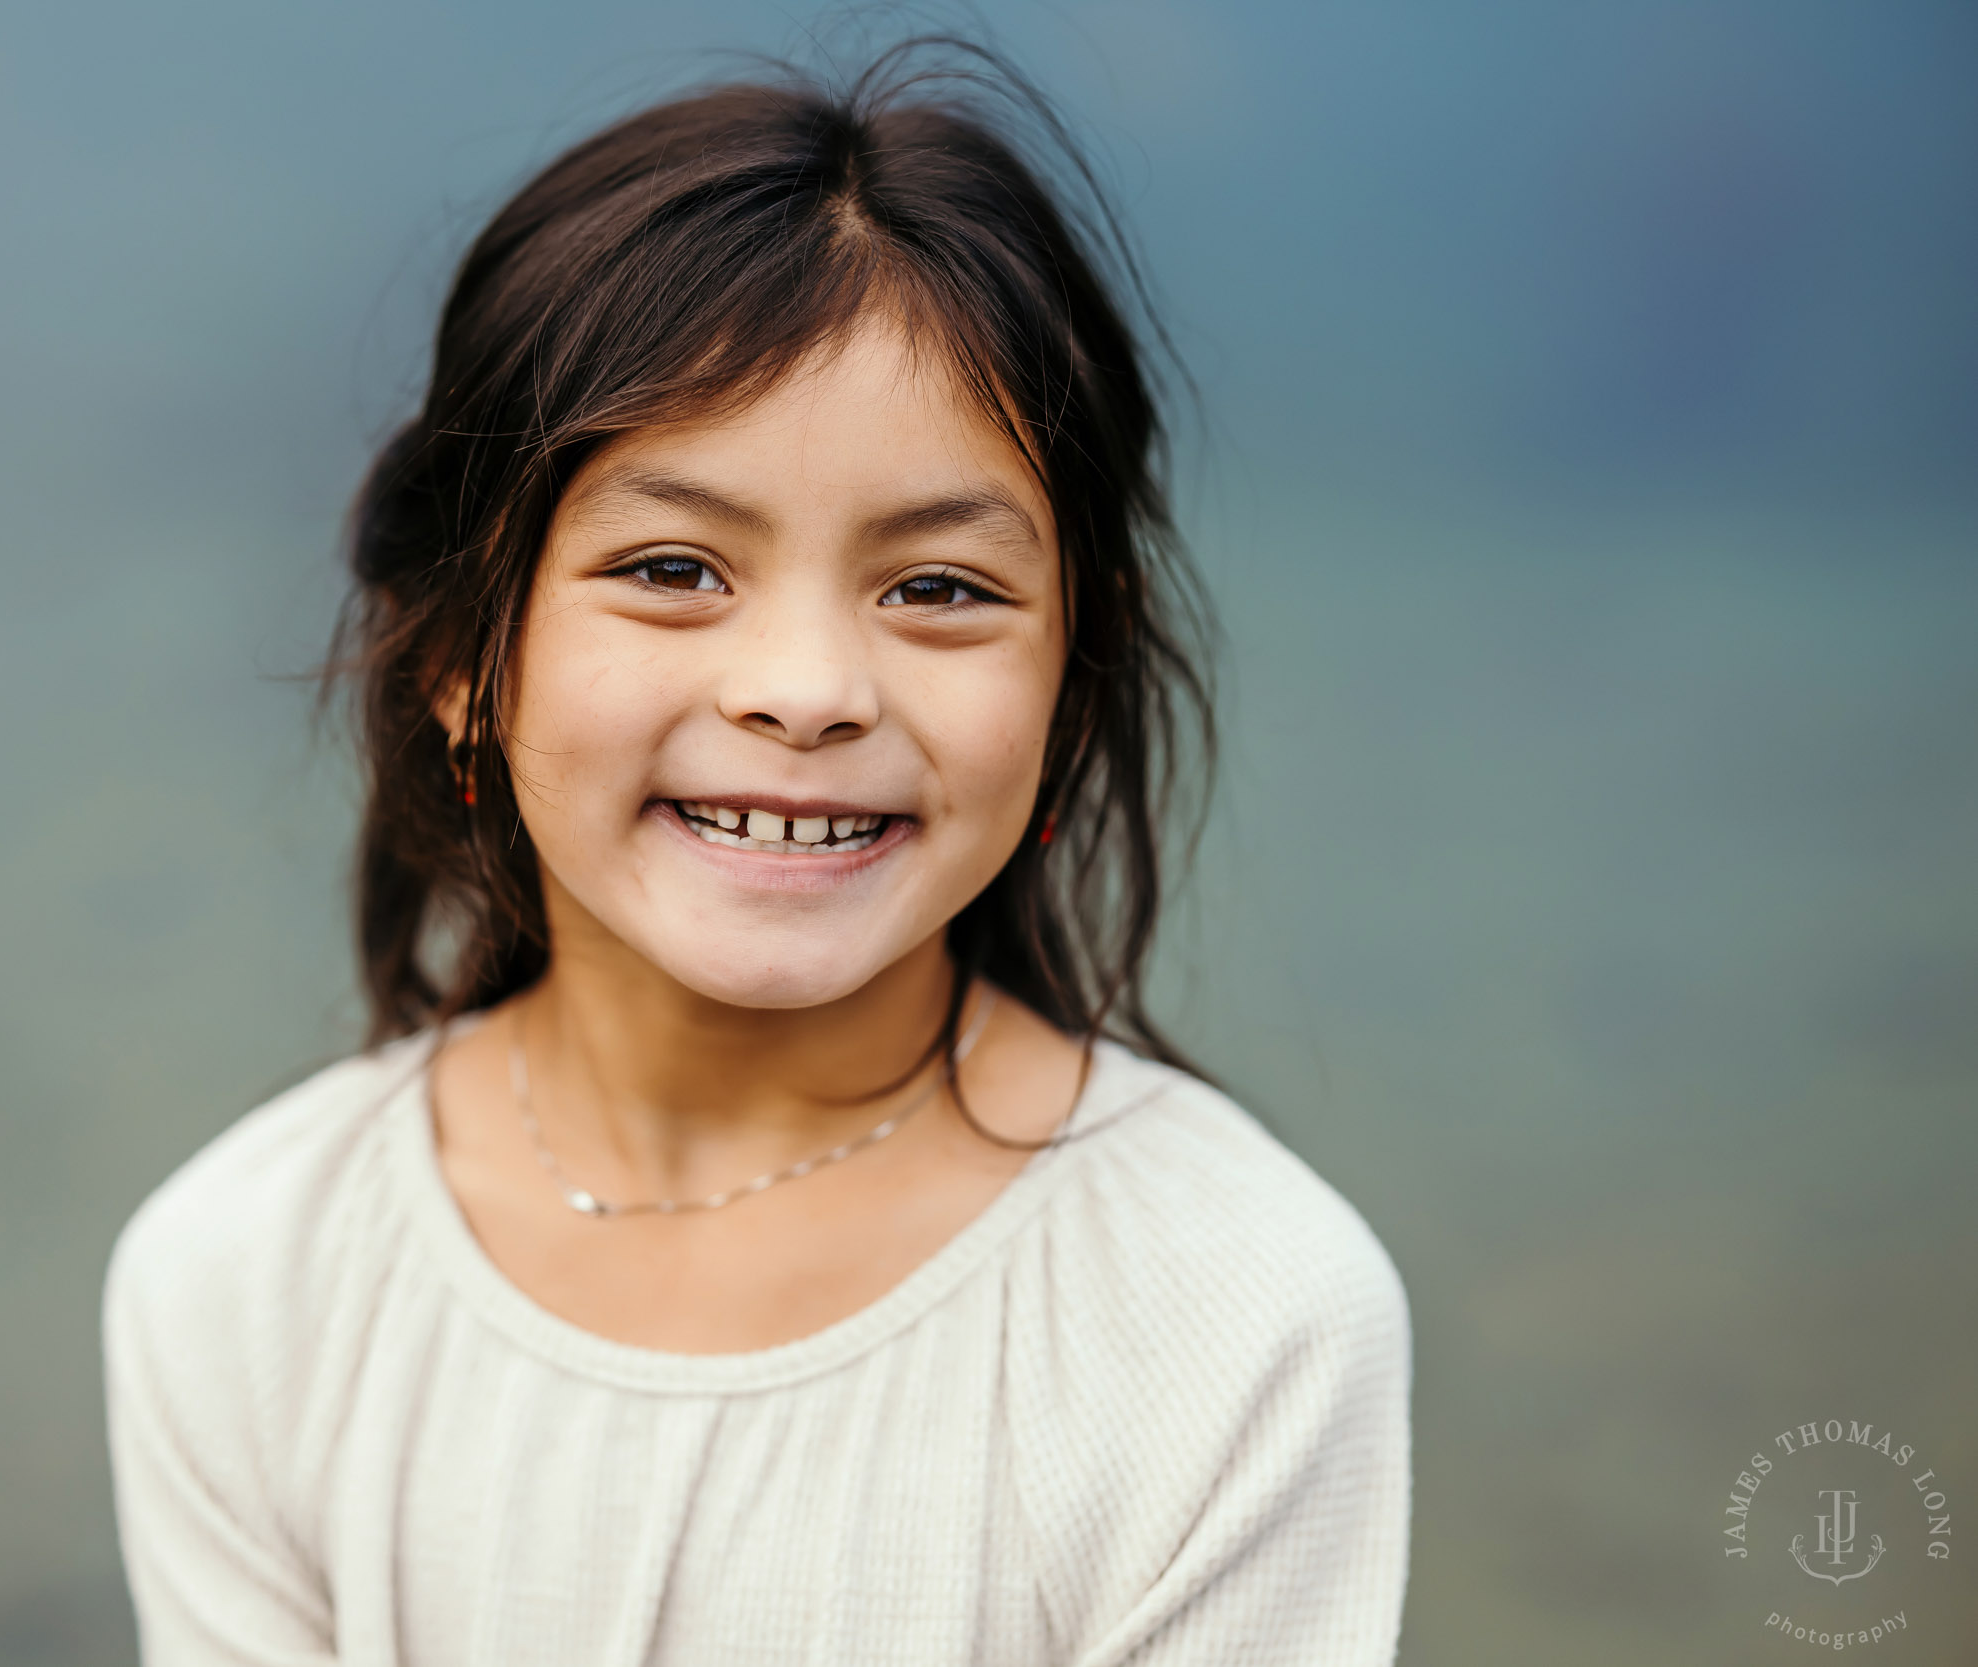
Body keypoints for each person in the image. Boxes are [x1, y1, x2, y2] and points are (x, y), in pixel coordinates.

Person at [103, 43, 1410, 1667]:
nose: (805, 692)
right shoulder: (252, 1276)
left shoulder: (1238, 1317)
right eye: (671, 566)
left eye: (938, 587)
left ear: (1072, 690)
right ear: (456, 651)